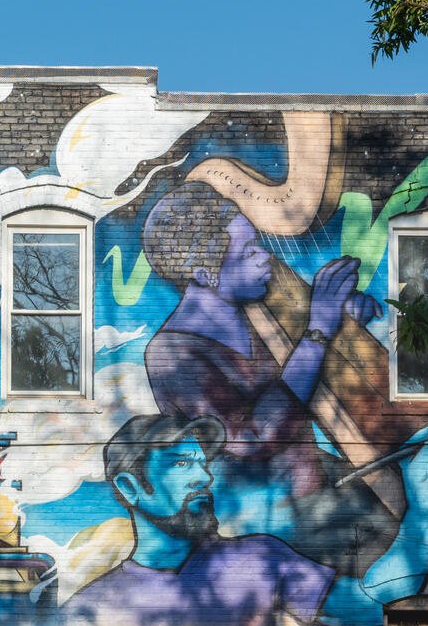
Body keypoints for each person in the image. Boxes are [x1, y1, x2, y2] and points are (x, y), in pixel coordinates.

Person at [69, 413, 428, 626]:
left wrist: (424, 509)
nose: (203, 477)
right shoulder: (90, 608)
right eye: (181, 464)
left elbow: (370, 602)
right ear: (131, 486)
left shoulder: (259, 560)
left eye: (203, 463)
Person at [140, 182, 381, 518]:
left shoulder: (257, 314)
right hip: (263, 518)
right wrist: (319, 328)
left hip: (317, 489)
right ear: (204, 273)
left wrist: (343, 323)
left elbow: (309, 375)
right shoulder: (170, 354)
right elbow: (251, 439)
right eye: (248, 251)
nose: (265, 256)